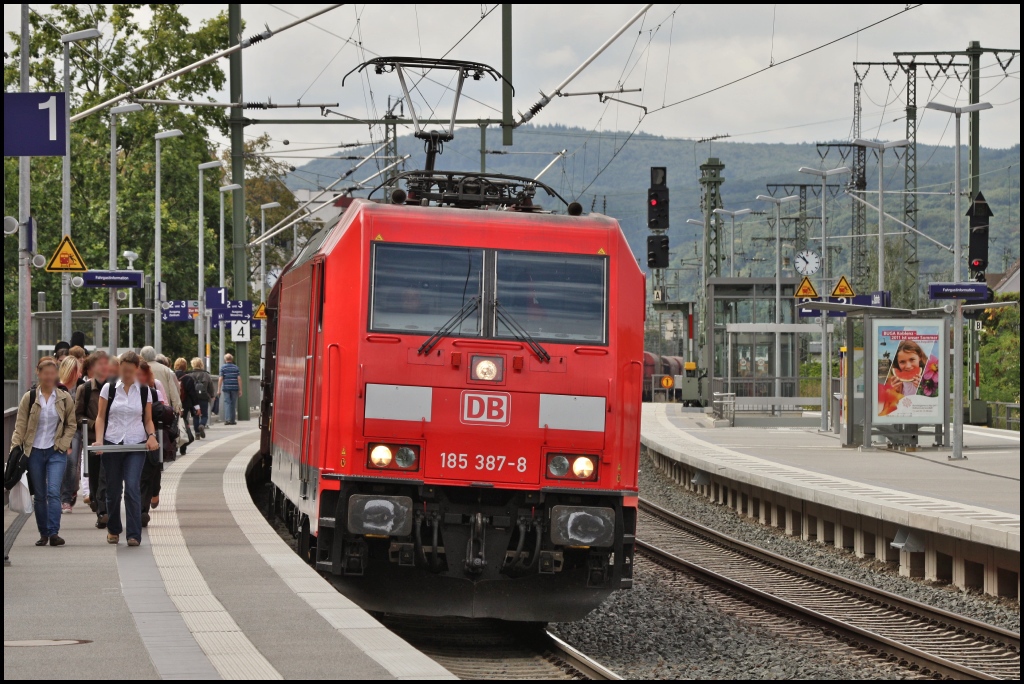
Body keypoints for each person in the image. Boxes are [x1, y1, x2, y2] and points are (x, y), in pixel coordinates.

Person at [9, 357, 78, 547]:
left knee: (53, 492)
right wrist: (14, 450)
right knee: (39, 495)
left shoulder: (64, 398)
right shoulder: (29, 398)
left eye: (52, 373)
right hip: (34, 452)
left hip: (56, 451)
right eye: (45, 373)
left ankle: (54, 532)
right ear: (38, 373)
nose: (49, 377)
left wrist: (63, 444)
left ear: (56, 374)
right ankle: (44, 533)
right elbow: (20, 426)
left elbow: (71, 425)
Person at [93, 351, 159, 547]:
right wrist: (99, 441)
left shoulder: (145, 391)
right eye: (124, 370)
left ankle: (133, 534)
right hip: (112, 442)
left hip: (136, 443)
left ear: (137, 369)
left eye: (131, 371)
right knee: (113, 490)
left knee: (132, 487)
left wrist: (152, 436)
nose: (127, 374)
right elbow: (100, 417)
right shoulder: (109, 388)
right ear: (120, 368)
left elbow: (147, 419)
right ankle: (114, 529)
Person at [76, 351, 112, 529]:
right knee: (95, 478)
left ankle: (103, 512)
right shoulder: (85, 389)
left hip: (111, 440)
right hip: (92, 441)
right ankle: (99, 507)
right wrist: (93, 425)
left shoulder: (115, 387)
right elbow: (77, 415)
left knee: (107, 477)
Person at [57, 356, 82, 514]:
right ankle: (63, 497)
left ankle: (69, 492)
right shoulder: (58, 387)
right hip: (59, 430)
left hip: (76, 429)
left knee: (72, 463)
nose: (79, 373)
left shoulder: (81, 386)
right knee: (63, 462)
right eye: (76, 370)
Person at [139, 346, 182, 416]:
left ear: (142, 356)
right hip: (163, 408)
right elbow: (173, 390)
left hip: (144, 406)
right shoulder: (166, 369)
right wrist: (177, 408)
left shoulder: (140, 369)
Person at [175, 358, 202, 439]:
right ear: (185, 367)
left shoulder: (171, 375)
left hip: (173, 403)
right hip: (185, 404)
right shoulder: (188, 378)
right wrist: (197, 407)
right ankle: (185, 441)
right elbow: (193, 394)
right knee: (183, 421)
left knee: (174, 422)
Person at [188, 358, 213, 436]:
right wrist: (211, 395)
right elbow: (210, 387)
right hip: (204, 397)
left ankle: (197, 433)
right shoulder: (206, 375)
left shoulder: (190, 375)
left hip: (193, 398)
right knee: (204, 415)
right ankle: (202, 425)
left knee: (195, 416)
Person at [218, 353, 241, 425]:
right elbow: (239, 379)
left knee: (227, 403)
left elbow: (221, 378)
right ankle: (232, 420)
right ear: (232, 359)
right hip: (234, 387)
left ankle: (227, 419)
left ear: (225, 359)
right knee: (233, 404)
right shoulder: (236, 367)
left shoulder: (223, 368)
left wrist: (218, 389)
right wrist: (240, 390)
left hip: (226, 387)